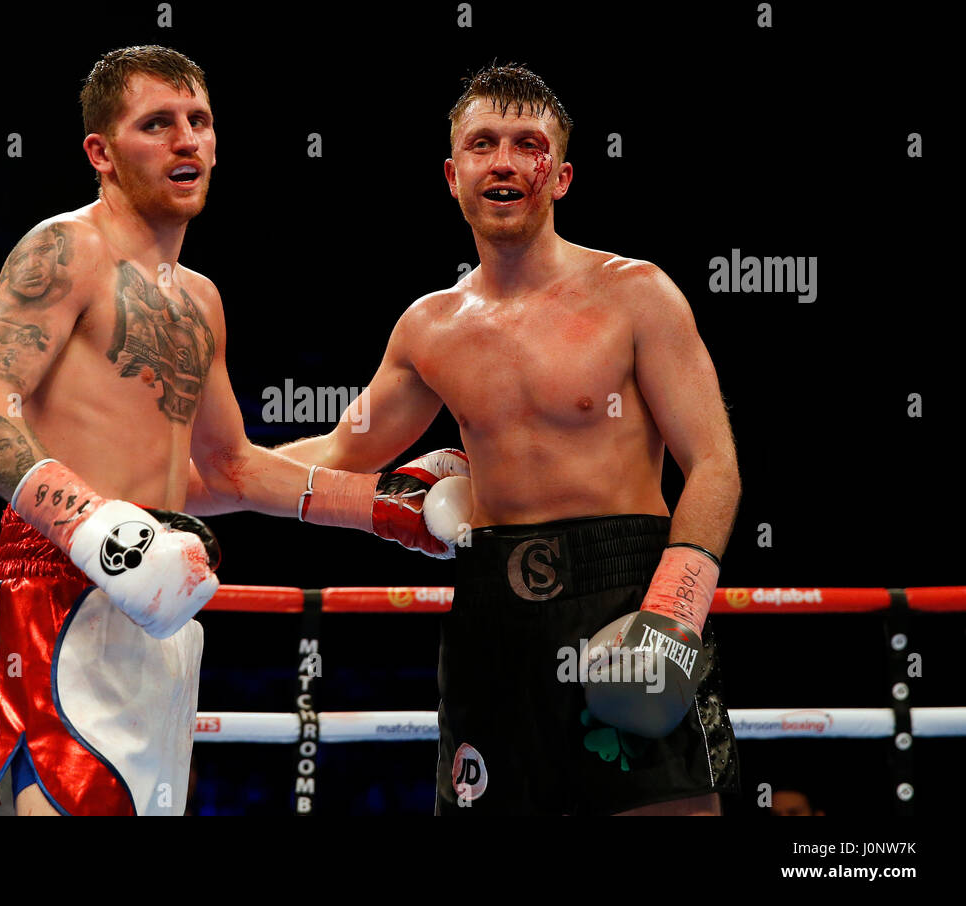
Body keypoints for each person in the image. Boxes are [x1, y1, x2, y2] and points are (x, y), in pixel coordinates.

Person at [192, 64, 742, 815]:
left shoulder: (637, 294)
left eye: (528, 143)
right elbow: (338, 455)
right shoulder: (429, 329)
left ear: (563, 175)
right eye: (483, 144)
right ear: (454, 176)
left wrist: (674, 612)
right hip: (492, 612)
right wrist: (189, 484)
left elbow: (714, 464)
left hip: (627, 590)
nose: (506, 161)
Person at [0, 45, 462, 816]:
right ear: (102, 153)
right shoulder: (65, 248)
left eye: (199, 121)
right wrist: (98, 528)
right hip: (55, 591)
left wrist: (385, 503)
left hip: (165, 601)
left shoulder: (202, 299)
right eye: (157, 124)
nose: (187, 140)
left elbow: (228, 471)